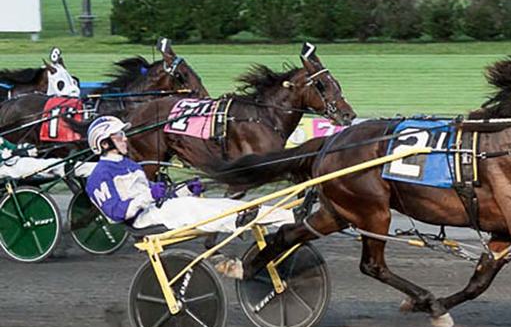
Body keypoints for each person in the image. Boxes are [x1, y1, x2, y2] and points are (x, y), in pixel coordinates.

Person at [84, 116, 293, 278]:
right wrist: (148, 195)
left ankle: (287, 217)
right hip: (144, 222)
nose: (125, 138)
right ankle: (242, 220)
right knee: (199, 209)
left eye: (123, 134)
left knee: (218, 203)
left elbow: (161, 194)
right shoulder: (99, 177)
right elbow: (116, 213)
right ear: (104, 144)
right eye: (118, 135)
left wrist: (185, 189)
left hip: (160, 210)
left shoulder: (130, 165)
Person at [0, 136, 94, 179]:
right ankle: (94, 169)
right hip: (7, 168)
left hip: (15, 163)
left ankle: (92, 169)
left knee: (53, 163)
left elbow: (13, 147)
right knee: (53, 165)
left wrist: (26, 148)